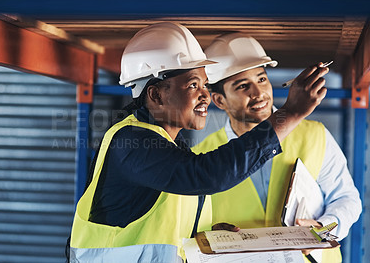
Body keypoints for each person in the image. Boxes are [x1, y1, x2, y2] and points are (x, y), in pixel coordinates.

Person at [68, 22, 328, 263]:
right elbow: (207, 175)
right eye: (193, 85)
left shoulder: (169, 146)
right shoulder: (132, 143)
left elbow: (160, 227)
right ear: (156, 94)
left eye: (205, 84)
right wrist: (290, 113)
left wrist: (202, 237)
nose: (206, 95)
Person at [192, 33, 362, 263]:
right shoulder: (202, 155)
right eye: (243, 86)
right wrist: (211, 232)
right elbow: (193, 225)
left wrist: (323, 228)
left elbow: (346, 199)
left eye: (261, 79)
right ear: (219, 100)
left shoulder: (315, 134)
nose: (258, 93)